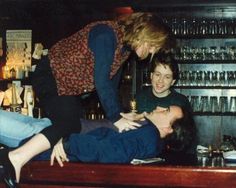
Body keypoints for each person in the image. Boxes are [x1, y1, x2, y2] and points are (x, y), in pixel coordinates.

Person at [0, 104, 195, 187]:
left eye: (166, 110)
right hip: (50, 149)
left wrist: (67, 142)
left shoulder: (149, 136)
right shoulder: (149, 136)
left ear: (170, 129)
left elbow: (108, 151)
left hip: (50, 153)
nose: (160, 108)